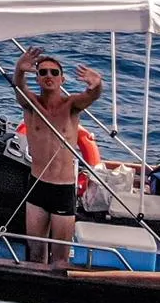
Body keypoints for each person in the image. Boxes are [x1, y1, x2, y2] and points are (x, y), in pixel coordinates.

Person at [13, 47, 103, 266]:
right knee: (35, 254)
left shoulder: (71, 105)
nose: (48, 76)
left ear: (62, 79)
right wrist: (19, 69)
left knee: (61, 259)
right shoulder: (31, 104)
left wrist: (97, 83)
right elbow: (18, 86)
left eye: (54, 72)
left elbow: (91, 95)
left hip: (62, 189)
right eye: (42, 72)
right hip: (37, 186)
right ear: (38, 78)